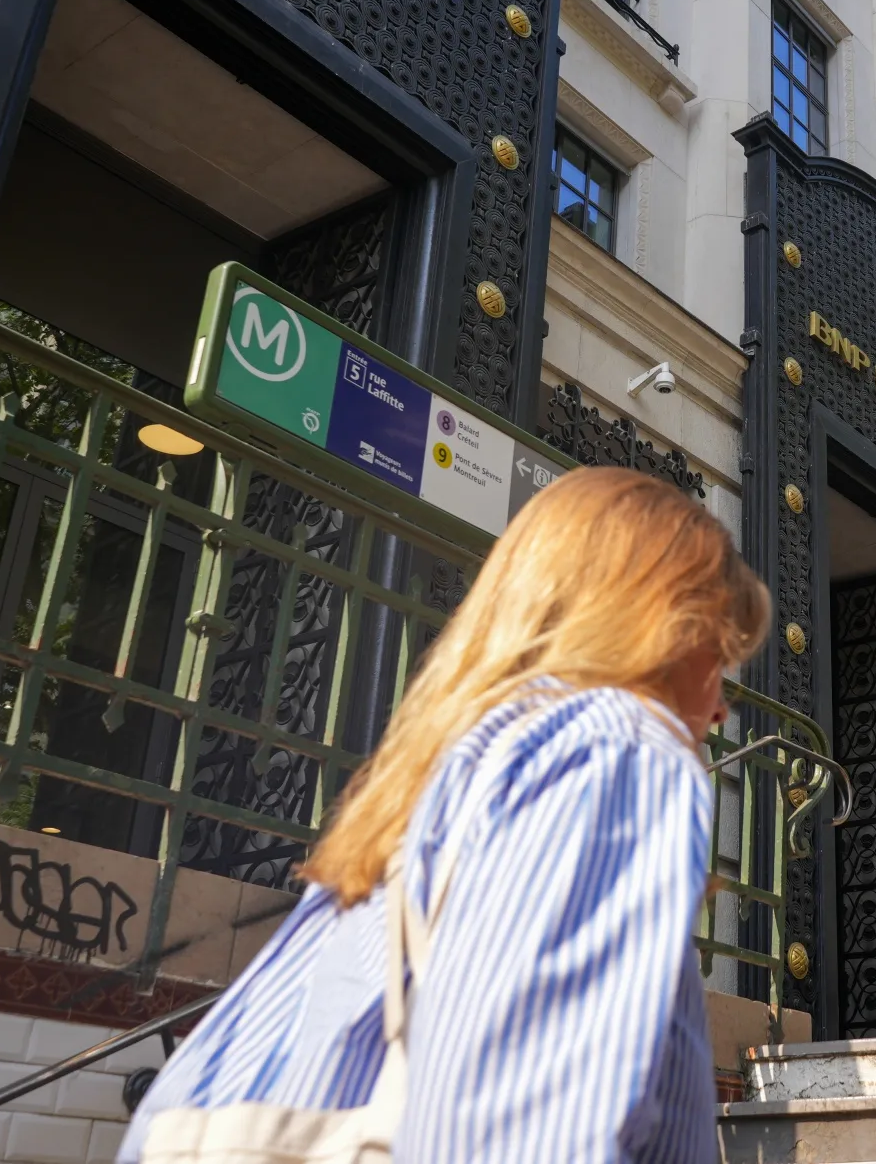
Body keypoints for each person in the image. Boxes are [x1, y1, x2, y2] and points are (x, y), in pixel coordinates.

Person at [120, 467, 771, 1164]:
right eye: (720, 656)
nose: (721, 707)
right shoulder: (616, 752)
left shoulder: (432, 778)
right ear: (658, 628)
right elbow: (516, 1132)